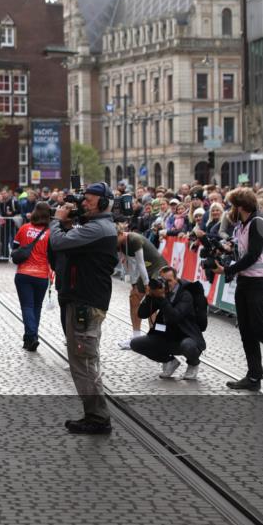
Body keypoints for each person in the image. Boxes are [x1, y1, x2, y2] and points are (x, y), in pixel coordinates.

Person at [49, 182, 118, 434]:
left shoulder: (98, 228)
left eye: (88, 200)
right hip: (84, 299)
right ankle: (94, 415)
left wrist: (57, 221)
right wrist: (68, 224)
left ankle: (98, 419)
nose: (83, 204)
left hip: (86, 302)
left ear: (102, 203)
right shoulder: (96, 227)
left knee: (84, 361)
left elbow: (58, 243)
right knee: (83, 359)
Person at [213, 187, 263, 390]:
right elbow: (243, 253)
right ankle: (253, 377)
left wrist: (227, 270)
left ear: (240, 206)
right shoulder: (242, 225)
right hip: (245, 280)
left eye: (232, 205)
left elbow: (253, 255)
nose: (230, 209)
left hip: (259, 282)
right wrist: (228, 250)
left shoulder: (258, 222)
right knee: (247, 331)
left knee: (260, 329)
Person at [131, 266, 207, 380]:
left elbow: (174, 317)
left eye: (170, 281)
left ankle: (193, 364)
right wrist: (149, 296)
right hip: (167, 336)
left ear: (176, 280)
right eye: (163, 281)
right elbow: (141, 314)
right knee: (136, 344)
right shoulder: (161, 292)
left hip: (186, 337)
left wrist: (162, 299)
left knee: (188, 346)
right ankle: (169, 362)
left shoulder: (185, 295)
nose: (167, 284)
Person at [12, 201, 52, 351]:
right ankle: (31, 337)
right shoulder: (50, 233)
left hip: (23, 273)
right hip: (42, 275)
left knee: (27, 306)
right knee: (36, 307)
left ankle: (31, 336)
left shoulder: (24, 228)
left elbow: (15, 248)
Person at [117, 229, 167, 349]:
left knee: (152, 298)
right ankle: (136, 337)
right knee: (133, 297)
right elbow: (127, 264)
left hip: (157, 267)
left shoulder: (134, 239)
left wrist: (146, 285)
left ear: (121, 234)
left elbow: (140, 263)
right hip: (146, 269)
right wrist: (133, 284)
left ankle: (155, 338)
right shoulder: (118, 244)